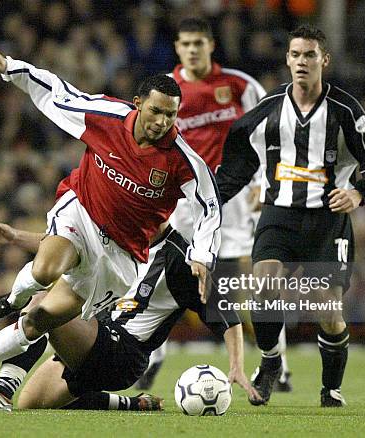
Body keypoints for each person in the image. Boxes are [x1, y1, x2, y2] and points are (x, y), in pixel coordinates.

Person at [0, 48, 223, 404]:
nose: (162, 122)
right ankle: (12, 299)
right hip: (82, 212)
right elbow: (58, 93)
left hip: (119, 258)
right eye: (155, 111)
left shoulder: (181, 159)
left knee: (38, 322)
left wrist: (202, 254)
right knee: (44, 273)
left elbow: (210, 204)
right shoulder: (106, 117)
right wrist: (11, 68)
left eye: (171, 114)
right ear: (137, 103)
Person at [215, 24, 365, 407]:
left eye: (309, 55)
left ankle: (330, 389)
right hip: (279, 214)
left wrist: (360, 193)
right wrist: (208, 199)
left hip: (328, 220)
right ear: (287, 60)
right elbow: (236, 162)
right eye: (295, 55)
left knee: (327, 309)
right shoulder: (267, 111)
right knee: (262, 283)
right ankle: (271, 362)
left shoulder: (346, 111)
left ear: (323, 60)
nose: (301, 62)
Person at [136, 17, 293, 393]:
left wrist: (266, 181)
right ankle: (150, 357)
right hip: (184, 200)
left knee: (257, 281)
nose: (192, 49)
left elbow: (274, 131)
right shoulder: (166, 94)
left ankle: (278, 364)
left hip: (238, 199)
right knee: (167, 275)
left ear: (210, 45)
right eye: (185, 43)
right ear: (177, 47)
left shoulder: (239, 86)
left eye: (198, 43)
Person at [0, 220, 258, 411]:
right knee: (32, 402)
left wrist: (237, 365)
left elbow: (223, 311)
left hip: (122, 352)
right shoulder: (118, 232)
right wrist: (15, 236)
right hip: (91, 336)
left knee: (44, 301)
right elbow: (64, 244)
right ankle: (131, 404)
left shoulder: (180, 260)